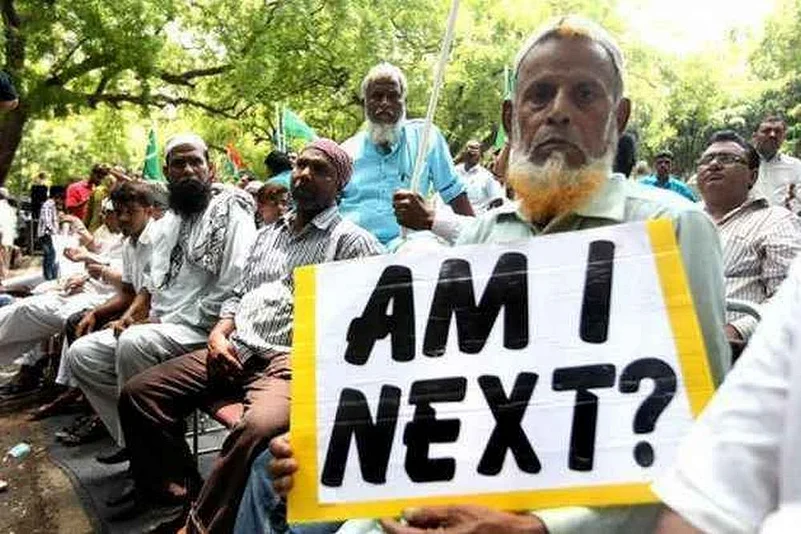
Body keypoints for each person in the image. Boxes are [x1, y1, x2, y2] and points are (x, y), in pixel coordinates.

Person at [258, 15, 730, 534]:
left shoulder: (672, 230)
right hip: (448, 492)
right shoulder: (482, 238)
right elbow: (423, 393)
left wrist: (540, 529)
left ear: (618, 117)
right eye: (540, 95)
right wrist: (329, 446)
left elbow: (700, 445)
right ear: (512, 116)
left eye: (585, 95)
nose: (558, 112)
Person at [118, 139, 383, 534]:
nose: (304, 174)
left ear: (340, 185)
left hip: (291, 363)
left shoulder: (352, 241)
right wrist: (218, 333)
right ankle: (183, 492)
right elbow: (239, 293)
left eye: (320, 170)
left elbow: (367, 323)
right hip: (237, 347)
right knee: (140, 394)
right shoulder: (268, 234)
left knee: (256, 429)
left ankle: (198, 526)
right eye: (301, 165)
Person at [67, 133, 256, 458]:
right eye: (179, 164)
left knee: (134, 343)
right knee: (82, 354)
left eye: (195, 162)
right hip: (166, 326)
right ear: (167, 172)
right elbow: (151, 285)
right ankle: (139, 441)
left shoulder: (231, 212)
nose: (188, 170)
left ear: (210, 168)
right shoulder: (169, 221)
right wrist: (132, 317)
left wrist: (156, 323)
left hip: (211, 330)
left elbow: (236, 283)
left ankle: (156, 460)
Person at [652, 257, 801, 534]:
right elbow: (708, 503)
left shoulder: (773, 232)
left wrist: (736, 328)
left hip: (735, 338)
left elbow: (771, 297)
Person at [339, 62, 473, 249]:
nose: (385, 103)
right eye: (377, 96)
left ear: (404, 102)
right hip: (355, 245)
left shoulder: (426, 136)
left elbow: (454, 192)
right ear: (365, 103)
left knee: (424, 248)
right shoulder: (345, 152)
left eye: (393, 96)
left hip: (407, 243)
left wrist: (475, 242)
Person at [695, 130, 801, 346]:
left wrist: (736, 330)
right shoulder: (679, 217)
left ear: (752, 176)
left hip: (737, 351)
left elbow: (791, 296)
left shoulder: (775, 221)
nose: (714, 164)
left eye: (727, 159)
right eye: (707, 159)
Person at [752, 115, 801, 213]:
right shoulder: (743, 164)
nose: (772, 135)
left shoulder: (795, 166)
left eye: (778, 131)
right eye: (766, 131)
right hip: (748, 220)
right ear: (754, 136)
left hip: (784, 220)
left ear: (783, 137)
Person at [450, 140, 504, 213]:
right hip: (451, 216)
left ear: (481, 155)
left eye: (475, 149)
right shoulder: (454, 172)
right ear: (464, 153)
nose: (472, 152)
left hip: (475, 217)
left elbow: (498, 200)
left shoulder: (487, 177)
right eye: (469, 149)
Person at [37, 186, 63, 280]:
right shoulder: (48, 204)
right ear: (57, 196)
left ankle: (51, 275)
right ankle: (49, 277)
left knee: (51, 254)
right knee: (50, 254)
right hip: (46, 234)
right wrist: (54, 231)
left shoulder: (52, 205)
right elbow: (47, 220)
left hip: (49, 234)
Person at [0, 187, 17, 280]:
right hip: (9, 237)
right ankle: (5, 274)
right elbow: (14, 223)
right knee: (6, 257)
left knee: (2, 257)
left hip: (2, 235)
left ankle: (3, 275)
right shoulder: (10, 208)